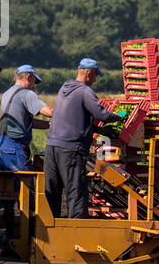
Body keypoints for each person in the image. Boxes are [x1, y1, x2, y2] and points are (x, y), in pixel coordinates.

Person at [44, 57, 120, 218]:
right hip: (70, 149)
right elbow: (101, 114)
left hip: (52, 147)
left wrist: (97, 129)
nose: (95, 80)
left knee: (53, 192)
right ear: (89, 74)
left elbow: (73, 118)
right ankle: (77, 236)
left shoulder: (65, 87)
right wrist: (119, 117)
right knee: (75, 193)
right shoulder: (85, 91)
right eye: (95, 76)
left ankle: (53, 231)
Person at [0, 65, 53, 172]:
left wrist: (49, 125)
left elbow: (24, 121)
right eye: (34, 82)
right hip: (15, 147)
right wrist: (67, 113)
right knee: (24, 185)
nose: (34, 86)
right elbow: (49, 112)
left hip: (0, 147)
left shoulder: (6, 94)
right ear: (29, 77)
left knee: (5, 186)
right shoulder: (26, 93)